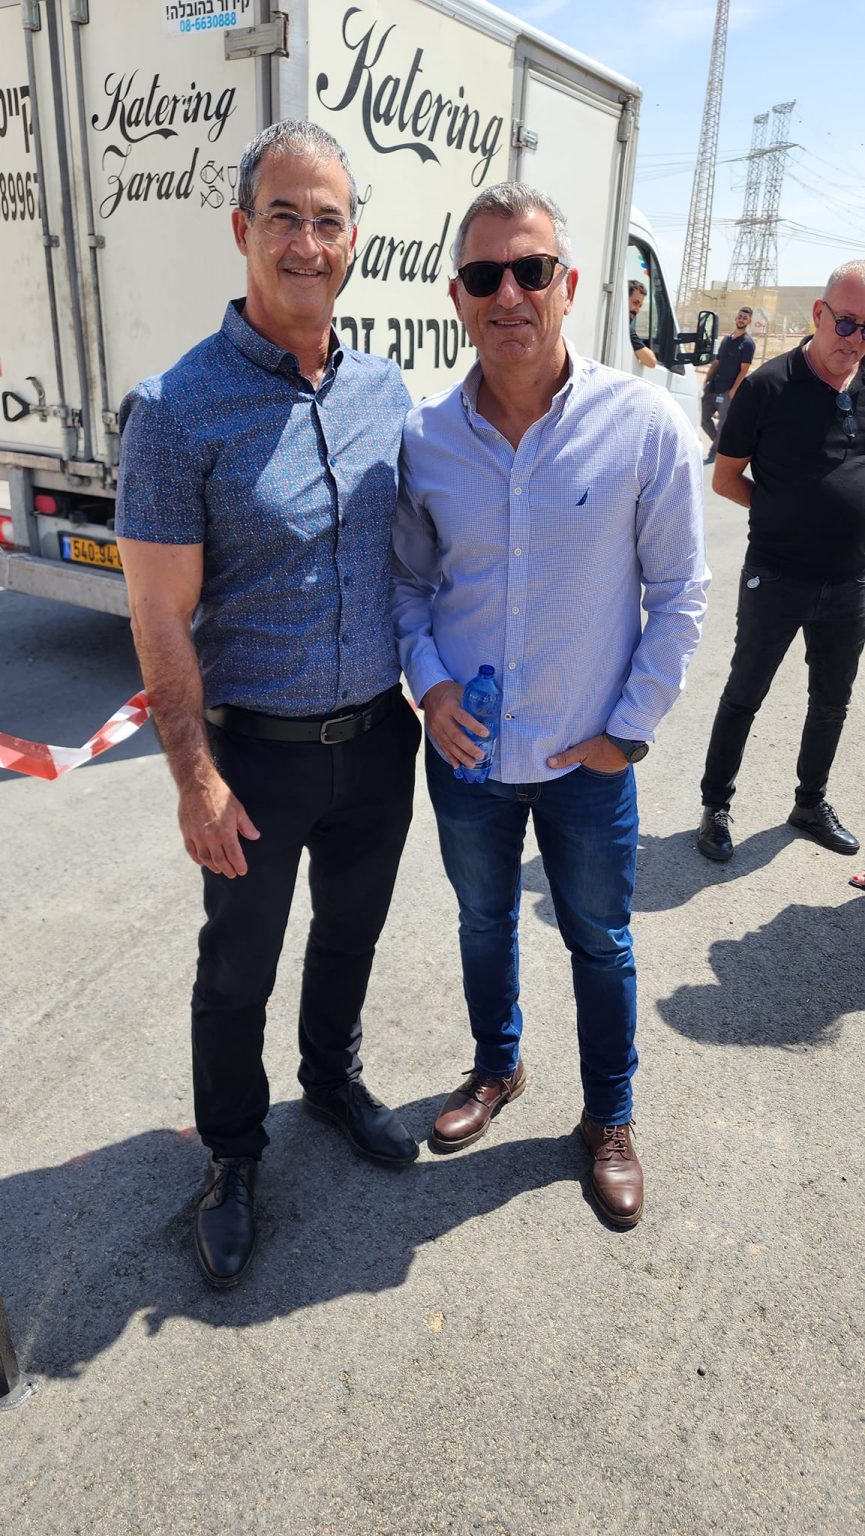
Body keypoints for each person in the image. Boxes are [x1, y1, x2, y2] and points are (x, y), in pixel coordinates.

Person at [115, 120, 422, 1289]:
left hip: (378, 741)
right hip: (255, 758)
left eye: (327, 220)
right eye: (283, 217)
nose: (305, 242)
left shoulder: (386, 392)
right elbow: (159, 618)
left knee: (349, 936)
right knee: (236, 970)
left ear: (353, 242)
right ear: (244, 231)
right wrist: (194, 779)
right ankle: (233, 1156)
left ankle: (330, 1082)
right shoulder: (176, 410)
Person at [392, 183, 708, 1228]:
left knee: (599, 942)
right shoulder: (427, 438)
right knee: (484, 922)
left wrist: (628, 732)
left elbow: (681, 592)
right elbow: (408, 584)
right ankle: (497, 1067)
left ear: (568, 286)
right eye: (484, 275)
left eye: (530, 271)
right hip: (469, 758)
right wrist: (430, 683)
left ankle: (608, 1118)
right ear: (457, 296)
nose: (508, 294)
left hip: (586, 764)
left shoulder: (641, 424)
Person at [697, 262, 865, 863]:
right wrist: (780, 512)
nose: (855, 340)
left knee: (831, 702)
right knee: (745, 694)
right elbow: (725, 479)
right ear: (819, 315)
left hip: (851, 582)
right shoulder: (767, 387)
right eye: (846, 323)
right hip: (776, 576)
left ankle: (809, 802)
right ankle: (715, 806)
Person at [701, 306, 755, 464]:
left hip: (727, 391)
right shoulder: (726, 340)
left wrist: (733, 390)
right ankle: (721, 445)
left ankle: (714, 453)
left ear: (749, 321)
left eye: (745, 318)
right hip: (713, 387)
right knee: (703, 419)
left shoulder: (748, 343)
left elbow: (744, 370)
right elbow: (716, 362)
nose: (741, 319)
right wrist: (707, 379)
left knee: (723, 424)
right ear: (736, 318)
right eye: (740, 316)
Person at [628, 279, 657, 368]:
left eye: (639, 306)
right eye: (635, 303)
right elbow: (651, 362)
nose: (637, 310)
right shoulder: (626, 331)